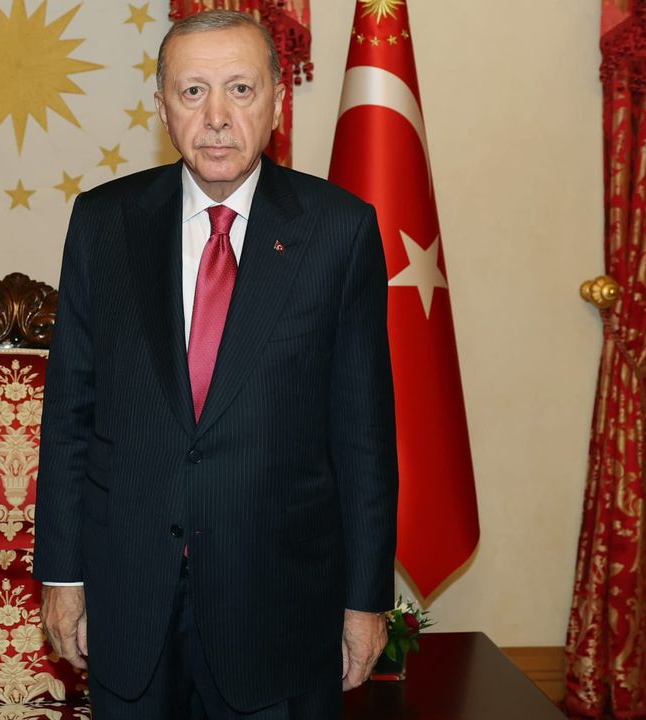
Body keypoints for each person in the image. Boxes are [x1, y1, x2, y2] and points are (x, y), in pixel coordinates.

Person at [34, 10, 398, 719]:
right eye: (193, 91)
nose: (217, 117)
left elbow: (364, 436)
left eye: (240, 88)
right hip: (129, 597)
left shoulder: (340, 230)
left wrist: (364, 600)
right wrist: (63, 575)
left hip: (280, 606)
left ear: (277, 102)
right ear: (162, 106)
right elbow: (70, 414)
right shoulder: (103, 222)